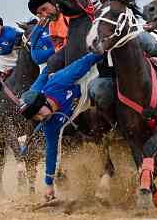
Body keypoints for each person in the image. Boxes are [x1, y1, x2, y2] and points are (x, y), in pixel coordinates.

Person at [20, 52, 104, 201]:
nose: (41, 119)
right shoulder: (49, 125)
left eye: (39, 113)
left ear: (44, 101)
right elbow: (52, 152)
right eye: (36, 119)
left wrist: (102, 51)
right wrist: (48, 185)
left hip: (88, 81)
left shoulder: (59, 81)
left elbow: (85, 61)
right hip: (82, 106)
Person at [27, 0, 70, 92]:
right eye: (40, 14)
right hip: (53, 65)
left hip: (71, 61)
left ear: (54, 3)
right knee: (31, 95)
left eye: (44, 9)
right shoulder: (50, 25)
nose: (44, 15)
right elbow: (37, 57)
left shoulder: (69, 16)